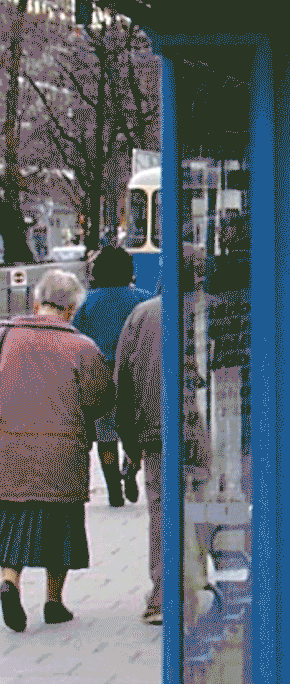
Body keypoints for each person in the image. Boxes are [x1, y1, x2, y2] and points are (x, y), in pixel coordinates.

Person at [0, 270, 112, 631]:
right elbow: (100, 398)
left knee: (15, 517)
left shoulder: (6, 339)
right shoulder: (82, 346)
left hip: (11, 448)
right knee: (62, 524)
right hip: (63, 451)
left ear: (37, 302)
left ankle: (9, 580)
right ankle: (53, 601)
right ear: (71, 308)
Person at [71, 246, 150, 506]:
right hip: (135, 375)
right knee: (136, 431)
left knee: (106, 436)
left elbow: (76, 341)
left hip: (101, 377)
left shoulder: (86, 303)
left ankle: (113, 487)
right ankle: (131, 470)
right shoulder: (143, 300)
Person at [114, 296, 164, 624]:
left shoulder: (144, 314)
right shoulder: (231, 303)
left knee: (165, 511)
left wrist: (130, 443)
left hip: (162, 432)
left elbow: (125, 381)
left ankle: (164, 596)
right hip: (229, 428)